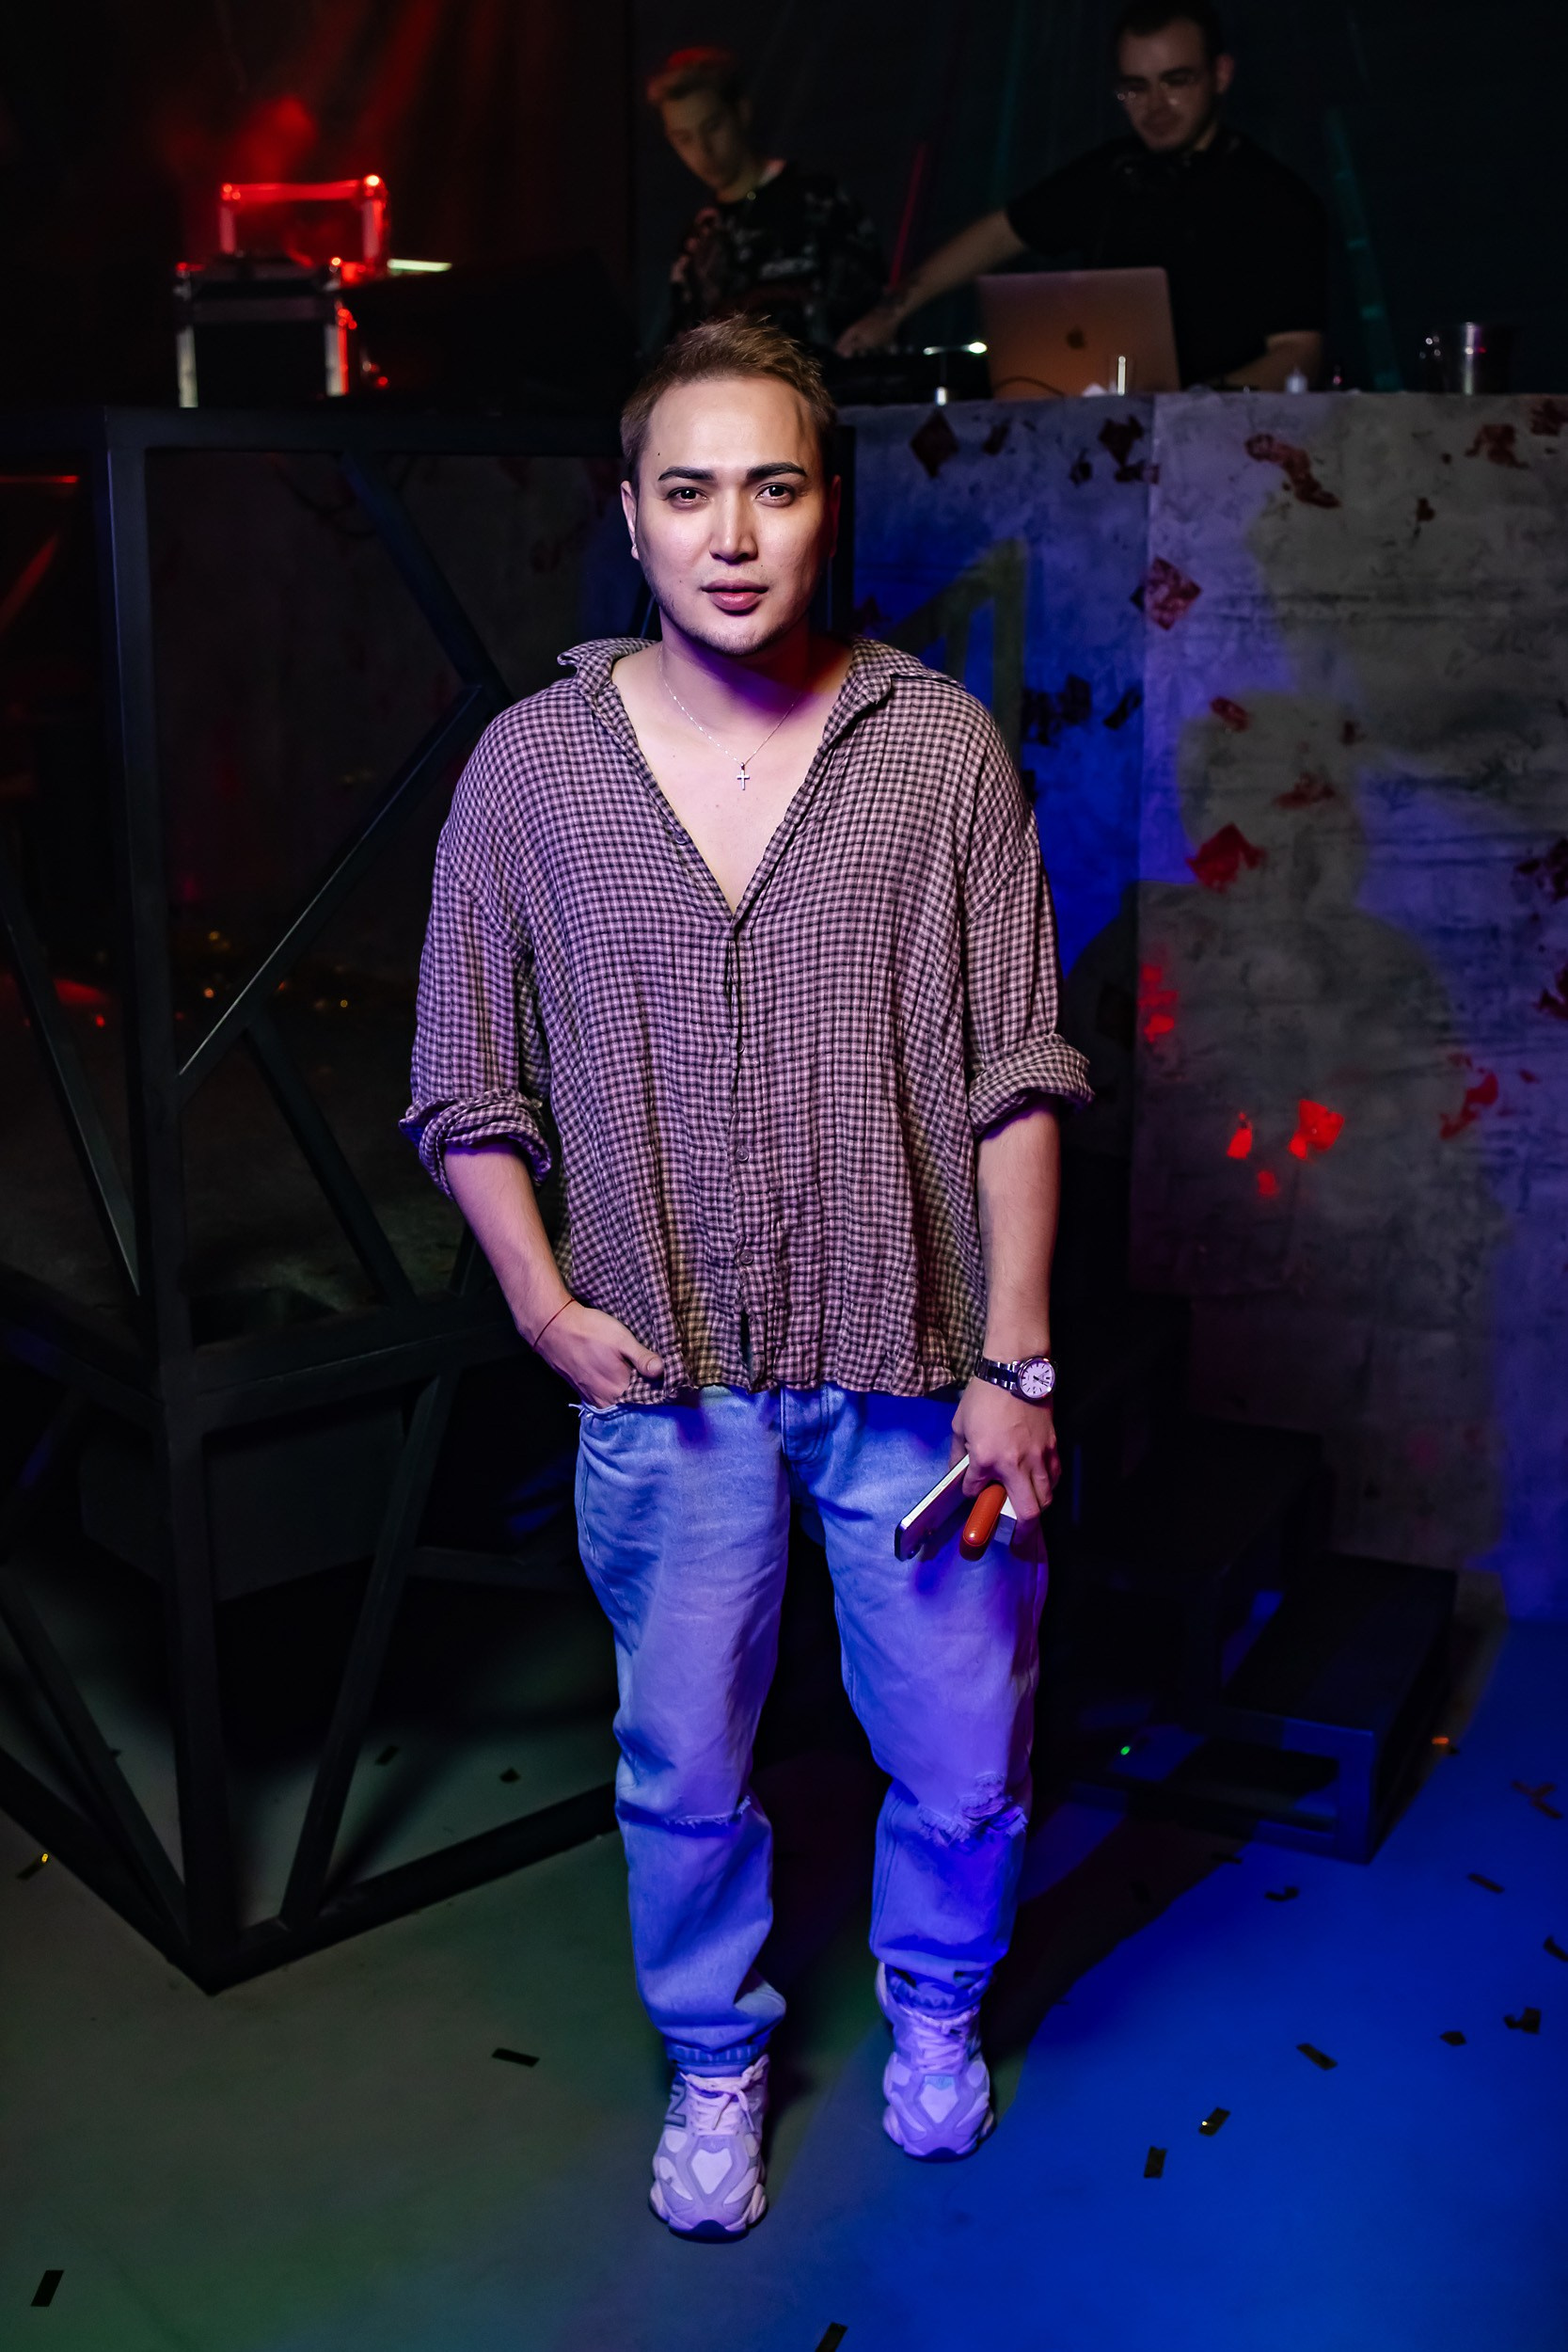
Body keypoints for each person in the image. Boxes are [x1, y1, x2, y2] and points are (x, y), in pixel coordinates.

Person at [403, 314, 1091, 2239]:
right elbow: (461, 1081)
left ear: (824, 507)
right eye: (687, 490)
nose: (729, 534)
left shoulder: (935, 753)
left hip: (917, 1376)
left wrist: (1014, 1365)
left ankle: (934, 2008)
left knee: (961, 1754)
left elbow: (1018, 1072)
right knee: (683, 1771)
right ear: (626, 514)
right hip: (663, 1385)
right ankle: (715, 2057)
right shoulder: (530, 771)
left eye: (770, 488)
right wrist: (541, 1304)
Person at [838, 0, 1326, 389]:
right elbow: (1001, 233)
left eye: (1176, 81)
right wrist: (892, 311)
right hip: (1111, 435)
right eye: (1135, 87)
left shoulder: (1275, 198)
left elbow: (1299, 353)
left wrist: (1192, 409)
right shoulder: (1112, 174)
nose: (1155, 105)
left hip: (1233, 447)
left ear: (1221, 74)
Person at [650, 45, 885, 352]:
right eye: (684, 139)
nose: (703, 150)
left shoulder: (818, 202)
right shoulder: (697, 241)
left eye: (712, 127)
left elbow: (874, 318)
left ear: (741, 112)